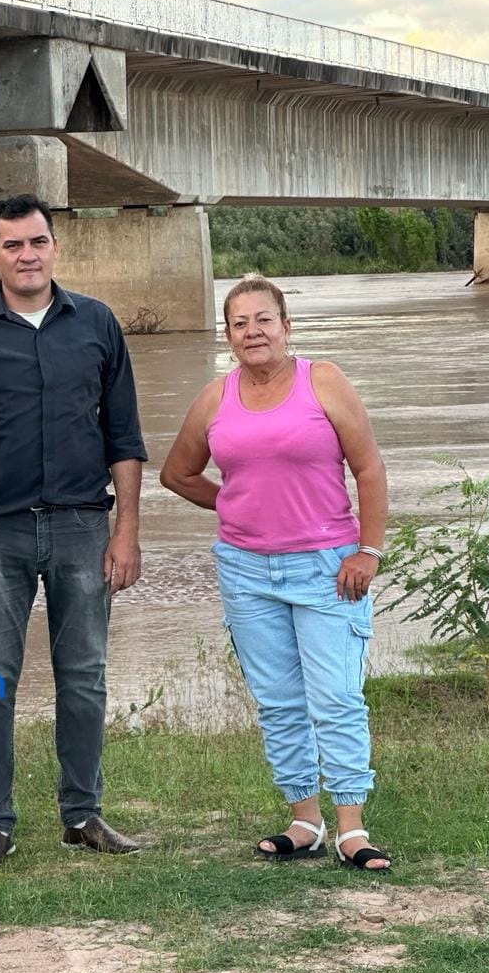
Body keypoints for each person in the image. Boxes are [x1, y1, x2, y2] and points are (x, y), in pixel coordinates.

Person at [0, 193, 147, 869]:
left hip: (83, 527)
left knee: (84, 676)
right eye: (13, 245)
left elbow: (124, 436)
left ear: (54, 247)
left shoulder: (97, 323)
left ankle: (82, 814)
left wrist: (127, 530)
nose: (28, 255)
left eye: (38, 242)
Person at [160, 276, 391, 871]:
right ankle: (304, 821)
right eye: (239, 323)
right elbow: (177, 474)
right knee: (279, 702)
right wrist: (237, 504)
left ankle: (351, 829)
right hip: (246, 570)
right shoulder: (215, 398)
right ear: (228, 336)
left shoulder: (324, 381)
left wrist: (369, 551)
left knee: (336, 698)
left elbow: (369, 468)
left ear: (286, 327)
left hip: (328, 566)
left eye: (264, 319)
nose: (253, 332)